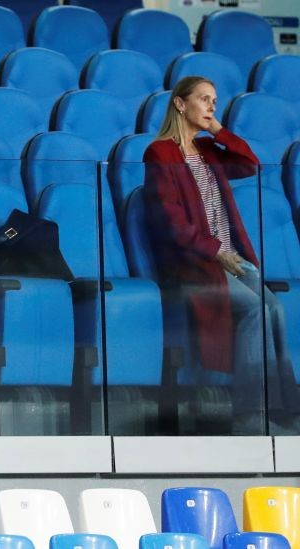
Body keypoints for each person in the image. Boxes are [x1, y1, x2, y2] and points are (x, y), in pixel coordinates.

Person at [143, 75, 300, 434]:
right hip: (196, 266)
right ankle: (248, 416)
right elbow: (174, 224)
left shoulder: (209, 151)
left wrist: (217, 128)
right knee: (258, 310)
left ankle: (283, 408)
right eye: (204, 99)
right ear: (180, 104)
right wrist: (216, 253)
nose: (212, 105)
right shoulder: (160, 153)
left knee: (276, 308)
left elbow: (249, 164)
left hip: (231, 258)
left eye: (215, 100)